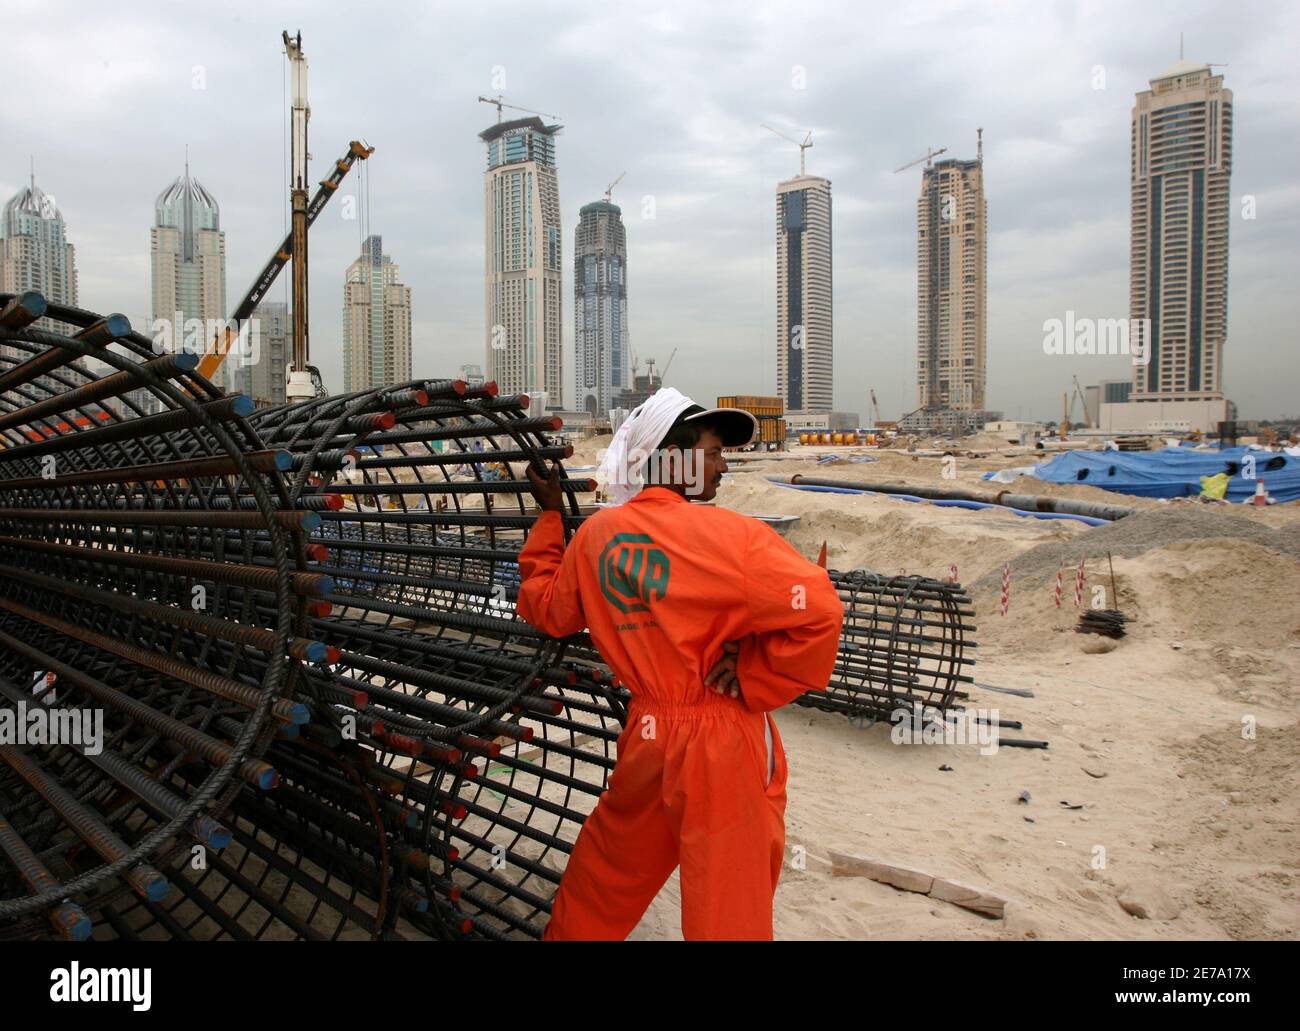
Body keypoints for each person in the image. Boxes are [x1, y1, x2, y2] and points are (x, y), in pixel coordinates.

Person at [515, 387, 843, 940]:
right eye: (714, 452)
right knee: (727, 903)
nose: (723, 466)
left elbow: (549, 610)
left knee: (605, 877)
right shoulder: (735, 538)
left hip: (649, 737)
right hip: (721, 743)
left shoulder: (598, 537)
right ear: (675, 456)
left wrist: (551, 518)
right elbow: (820, 610)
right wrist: (754, 668)